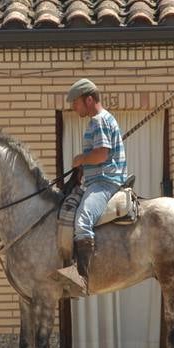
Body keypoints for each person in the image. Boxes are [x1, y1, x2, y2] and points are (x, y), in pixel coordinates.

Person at [58, 78, 127, 293]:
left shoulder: (98, 120)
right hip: (97, 179)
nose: (73, 107)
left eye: (75, 102)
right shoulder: (100, 120)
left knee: (82, 220)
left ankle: (83, 278)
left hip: (106, 181)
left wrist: (81, 160)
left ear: (89, 99)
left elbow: (101, 154)